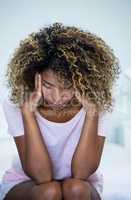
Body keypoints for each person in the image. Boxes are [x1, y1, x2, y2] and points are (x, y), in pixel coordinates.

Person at [0, 22, 120, 200]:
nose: (56, 97)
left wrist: (91, 112)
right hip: (26, 183)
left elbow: (81, 173)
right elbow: (41, 177)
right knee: (50, 192)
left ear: (82, 82)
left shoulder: (99, 102)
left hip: (82, 186)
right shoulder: (16, 101)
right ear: (34, 77)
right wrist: (28, 114)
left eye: (67, 87)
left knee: (76, 189)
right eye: (48, 85)